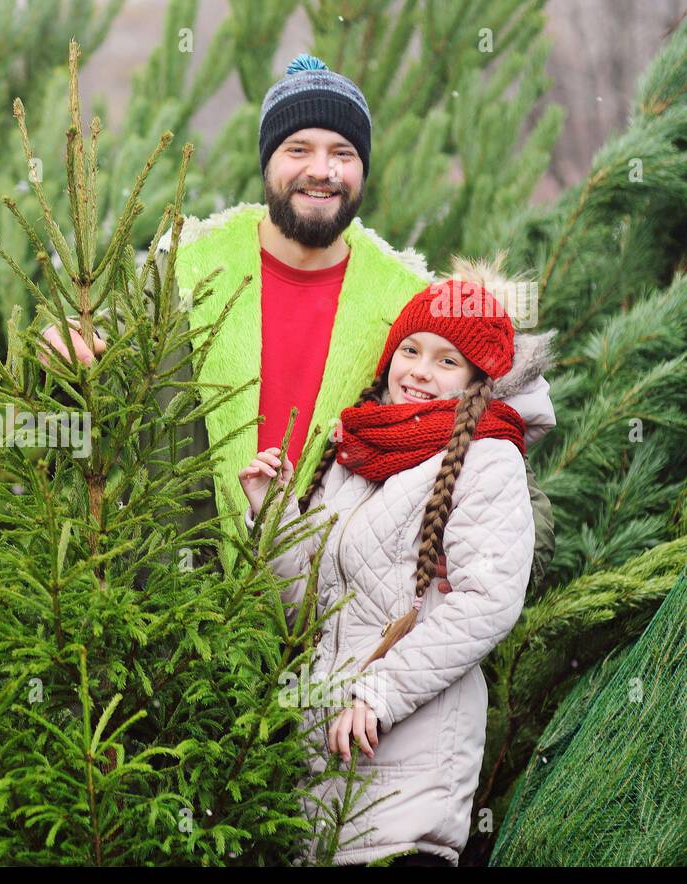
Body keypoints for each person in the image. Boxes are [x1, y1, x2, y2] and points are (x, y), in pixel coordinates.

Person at [40, 55, 555, 582]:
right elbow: (73, 401)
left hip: (323, 628)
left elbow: (501, 461)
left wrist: (478, 562)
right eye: (298, 149)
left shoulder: (410, 305)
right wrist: (57, 361)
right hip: (166, 614)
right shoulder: (182, 269)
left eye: (343, 153)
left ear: (361, 170)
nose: (321, 170)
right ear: (268, 162)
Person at [238, 264, 555, 865]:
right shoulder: (359, 452)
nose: (420, 370)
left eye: (447, 360)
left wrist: (379, 693)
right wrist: (272, 515)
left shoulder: (488, 459)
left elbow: (487, 603)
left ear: (475, 381)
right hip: (323, 772)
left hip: (408, 773)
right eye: (411, 350)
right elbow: (303, 608)